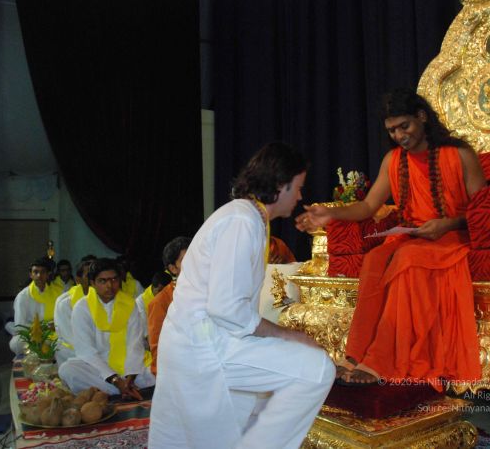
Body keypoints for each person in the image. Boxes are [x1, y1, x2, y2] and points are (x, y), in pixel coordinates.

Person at [149, 143, 335, 449]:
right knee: (317, 369)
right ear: (280, 185)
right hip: (205, 344)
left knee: (229, 426)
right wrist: (289, 335)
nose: (301, 196)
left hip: (203, 341)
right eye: (299, 187)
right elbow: (226, 308)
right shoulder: (241, 220)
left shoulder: (248, 218)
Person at [296, 88, 484, 388]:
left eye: (404, 126)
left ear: (422, 117)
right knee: (374, 259)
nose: (399, 135)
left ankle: (380, 361)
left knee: (407, 257)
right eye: (392, 130)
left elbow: (482, 212)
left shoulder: (460, 155)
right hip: (414, 236)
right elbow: (368, 207)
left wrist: (448, 224)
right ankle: (355, 355)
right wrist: (331, 213)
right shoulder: (393, 160)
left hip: (454, 235)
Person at [58, 258, 154, 397]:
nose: (110, 285)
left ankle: (122, 388)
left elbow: (135, 345)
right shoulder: (82, 308)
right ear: (93, 283)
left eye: (114, 279)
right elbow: (86, 352)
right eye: (103, 281)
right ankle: (125, 389)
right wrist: (115, 379)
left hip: (130, 366)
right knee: (67, 370)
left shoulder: (130, 304)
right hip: (98, 368)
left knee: (162, 367)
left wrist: (130, 376)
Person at [145, 236, 191, 375]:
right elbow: (158, 348)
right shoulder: (160, 302)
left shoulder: (210, 290)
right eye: (187, 260)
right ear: (173, 268)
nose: (195, 262)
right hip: (180, 371)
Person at [8, 257, 63, 355]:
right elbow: (20, 327)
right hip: (31, 335)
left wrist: (54, 326)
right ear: (31, 275)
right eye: (36, 272)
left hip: (53, 333)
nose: (39, 275)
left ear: (48, 274)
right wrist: (40, 329)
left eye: (43, 272)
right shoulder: (23, 296)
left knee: (64, 341)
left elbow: (63, 319)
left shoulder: (57, 292)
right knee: (17, 343)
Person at [53, 259, 94, 366]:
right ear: (78, 280)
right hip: (74, 349)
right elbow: (70, 337)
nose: (93, 280)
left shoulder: (106, 298)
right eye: (89, 276)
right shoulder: (65, 303)